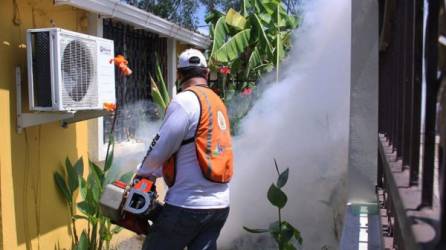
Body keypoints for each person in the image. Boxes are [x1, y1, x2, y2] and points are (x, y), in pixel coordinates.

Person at [136, 48, 234, 250]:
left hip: (188, 205)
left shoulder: (184, 101)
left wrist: (143, 175)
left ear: (179, 75)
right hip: (220, 206)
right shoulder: (218, 103)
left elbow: (161, 147)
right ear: (206, 73)